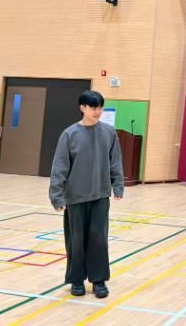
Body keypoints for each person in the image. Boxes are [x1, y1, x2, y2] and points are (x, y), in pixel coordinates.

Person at [48, 90, 124, 299]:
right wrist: (56, 196)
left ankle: (99, 281)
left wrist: (118, 186)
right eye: (93, 107)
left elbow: (115, 161)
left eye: (100, 107)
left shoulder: (109, 133)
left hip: (100, 196)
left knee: (99, 239)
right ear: (82, 108)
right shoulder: (69, 134)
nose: (97, 111)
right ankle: (76, 280)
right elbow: (59, 167)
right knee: (76, 241)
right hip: (75, 197)